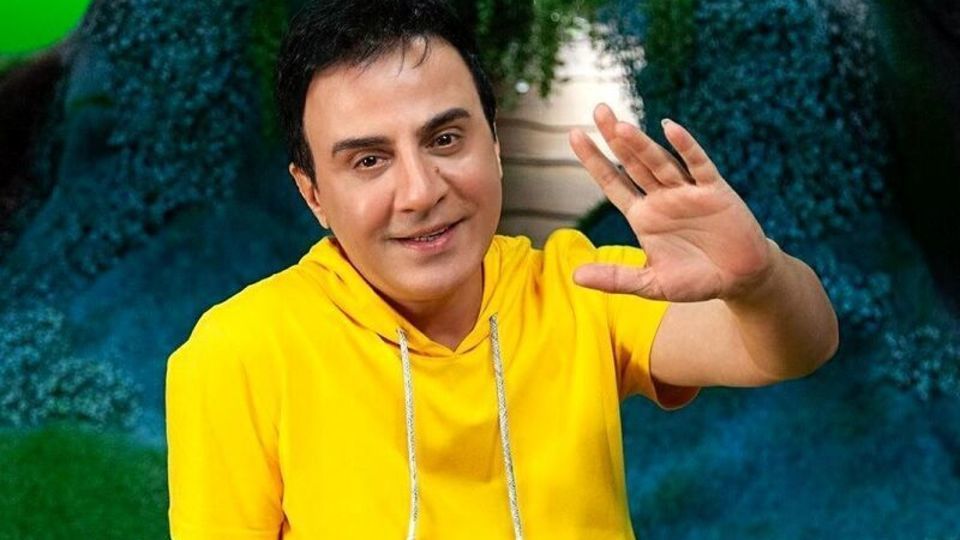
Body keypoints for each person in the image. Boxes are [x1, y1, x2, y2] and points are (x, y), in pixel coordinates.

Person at [164, 0, 839, 538]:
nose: (420, 191)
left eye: (444, 139)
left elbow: (793, 348)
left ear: (493, 144)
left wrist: (760, 278)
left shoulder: (580, 288)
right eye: (369, 160)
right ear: (312, 193)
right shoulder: (238, 352)